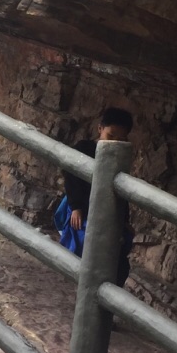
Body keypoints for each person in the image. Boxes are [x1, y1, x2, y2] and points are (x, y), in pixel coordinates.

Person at [58, 107, 134, 285]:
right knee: (86, 252)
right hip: (85, 211)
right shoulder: (84, 148)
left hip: (109, 214)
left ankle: (110, 294)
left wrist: (125, 220)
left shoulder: (120, 156)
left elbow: (120, 191)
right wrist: (75, 207)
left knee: (118, 258)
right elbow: (71, 177)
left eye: (121, 139)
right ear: (100, 129)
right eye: (111, 135)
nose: (115, 142)